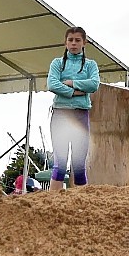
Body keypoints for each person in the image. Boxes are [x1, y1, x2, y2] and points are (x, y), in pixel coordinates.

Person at [47, 27, 100, 189]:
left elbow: (94, 84)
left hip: (80, 115)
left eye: (77, 40)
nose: (74, 43)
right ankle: (51, 205)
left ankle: (81, 206)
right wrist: (76, 92)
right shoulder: (57, 63)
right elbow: (52, 84)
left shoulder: (91, 65)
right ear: (65, 42)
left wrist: (70, 83)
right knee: (60, 162)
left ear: (84, 43)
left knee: (78, 164)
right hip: (60, 115)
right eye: (70, 40)